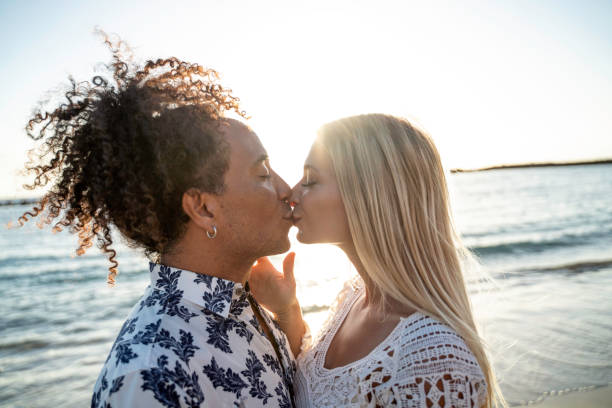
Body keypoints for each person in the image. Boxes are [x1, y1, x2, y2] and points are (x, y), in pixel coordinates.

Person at [18, 35, 305, 407]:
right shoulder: (151, 375)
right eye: (263, 173)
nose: (287, 190)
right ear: (203, 208)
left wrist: (286, 310)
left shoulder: (246, 302)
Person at [250, 114, 505, 407]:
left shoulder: (433, 357)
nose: (292, 194)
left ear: (369, 194)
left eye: (310, 180)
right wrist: (287, 310)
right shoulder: (353, 296)